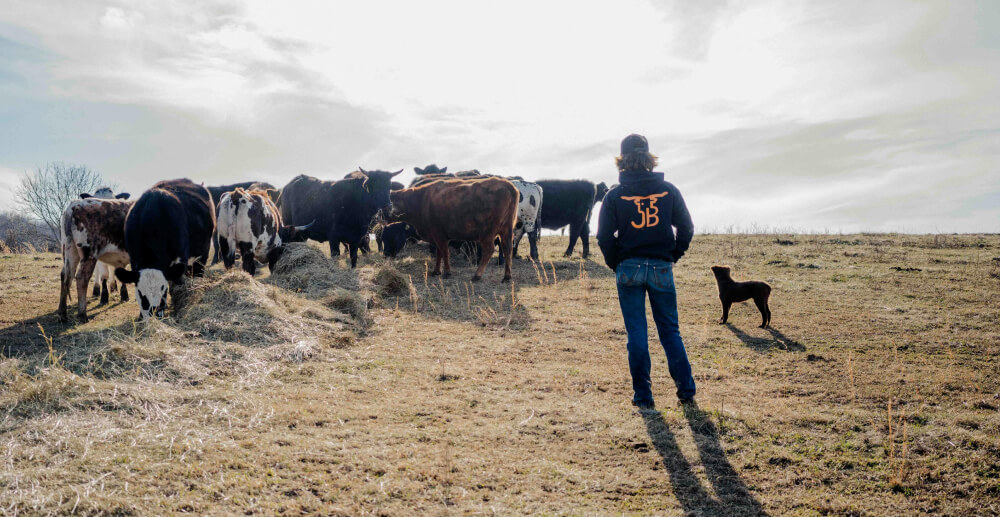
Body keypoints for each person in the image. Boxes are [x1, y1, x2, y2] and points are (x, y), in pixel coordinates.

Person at [597, 134, 695, 411]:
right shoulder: (669, 190)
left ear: (622, 161)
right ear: (649, 159)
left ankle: (643, 397)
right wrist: (673, 255)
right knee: (669, 331)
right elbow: (686, 228)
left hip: (629, 268)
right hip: (661, 267)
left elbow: (604, 236)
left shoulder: (615, 195)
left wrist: (616, 262)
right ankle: (686, 391)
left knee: (636, 333)